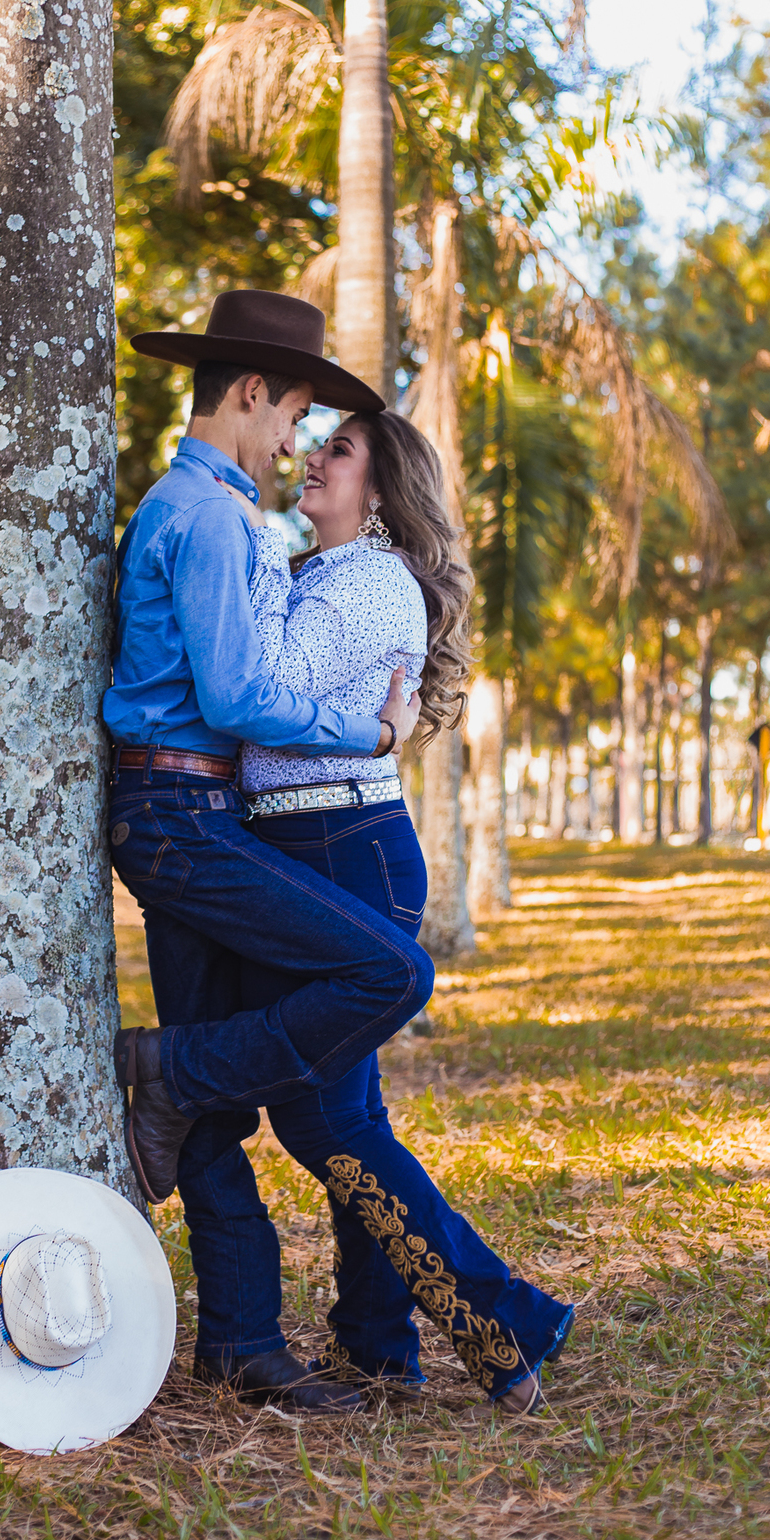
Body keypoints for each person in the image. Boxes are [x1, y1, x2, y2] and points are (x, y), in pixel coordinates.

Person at [105, 289, 433, 1413]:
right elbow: (242, 693)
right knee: (387, 972)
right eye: (295, 415)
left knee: (208, 1102)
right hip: (179, 816)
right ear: (250, 394)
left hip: (200, 814)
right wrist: (375, 731)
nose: (296, 441)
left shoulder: (227, 514)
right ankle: (165, 1069)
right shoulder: (205, 516)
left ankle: (242, 1339)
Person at [228, 408, 574, 1414]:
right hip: (321, 844)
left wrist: (248, 539)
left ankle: (496, 1317)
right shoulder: (325, 574)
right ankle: (379, 1345)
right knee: (350, 1114)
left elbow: (267, 690)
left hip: (340, 851)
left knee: (320, 1117)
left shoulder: (367, 579)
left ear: (380, 493)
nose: (313, 457)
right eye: (316, 442)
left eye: (339, 450)